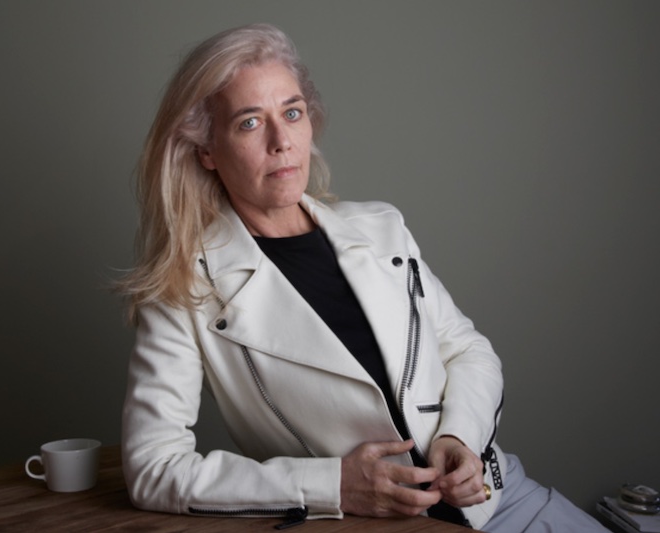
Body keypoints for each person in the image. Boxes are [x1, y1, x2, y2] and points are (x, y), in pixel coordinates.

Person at [118, 23, 607, 532]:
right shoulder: (183, 288)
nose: (281, 141)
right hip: (362, 524)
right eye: (248, 123)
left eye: (292, 112)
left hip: (498, 500)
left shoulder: (380, 228)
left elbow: (469, 351)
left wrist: (460, 439)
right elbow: (155, 468)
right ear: (207, 151)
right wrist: (332, 485)